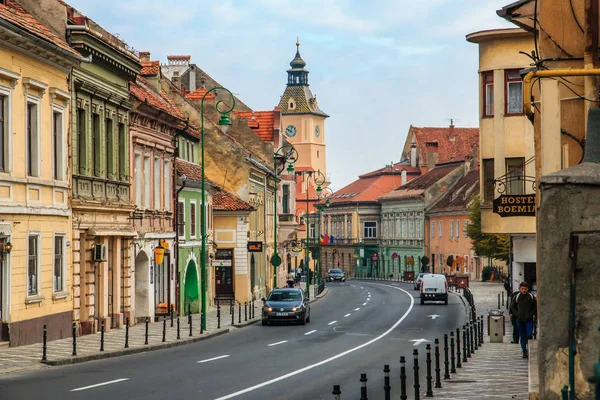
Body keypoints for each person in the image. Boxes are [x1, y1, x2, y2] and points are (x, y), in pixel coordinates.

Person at [510, 281, 537, 358]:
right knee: (522, 336)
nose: (524, 290)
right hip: (520, 320)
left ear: (527, 289)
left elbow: (535, 307)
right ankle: (524, 351)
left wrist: (530, 314)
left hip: (529, 320)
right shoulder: (517, 297)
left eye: (525, 289)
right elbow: (513, 307)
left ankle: (529, 350)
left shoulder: (531, 296)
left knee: (529, 335)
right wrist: (517, 314)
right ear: (520, 289)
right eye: (522, 289)